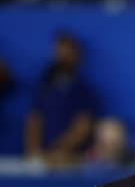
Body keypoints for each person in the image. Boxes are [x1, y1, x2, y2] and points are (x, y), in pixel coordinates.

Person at [24, 32, 98, 168]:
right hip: (40, 159)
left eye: (67, 53)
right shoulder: (44, 87)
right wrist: (34, 151)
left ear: (77, 56)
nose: (62, 57)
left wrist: (59, 150)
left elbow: (83, 126)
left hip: (68, 159)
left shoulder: (83, 90)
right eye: (59, 52)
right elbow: (34, 119)